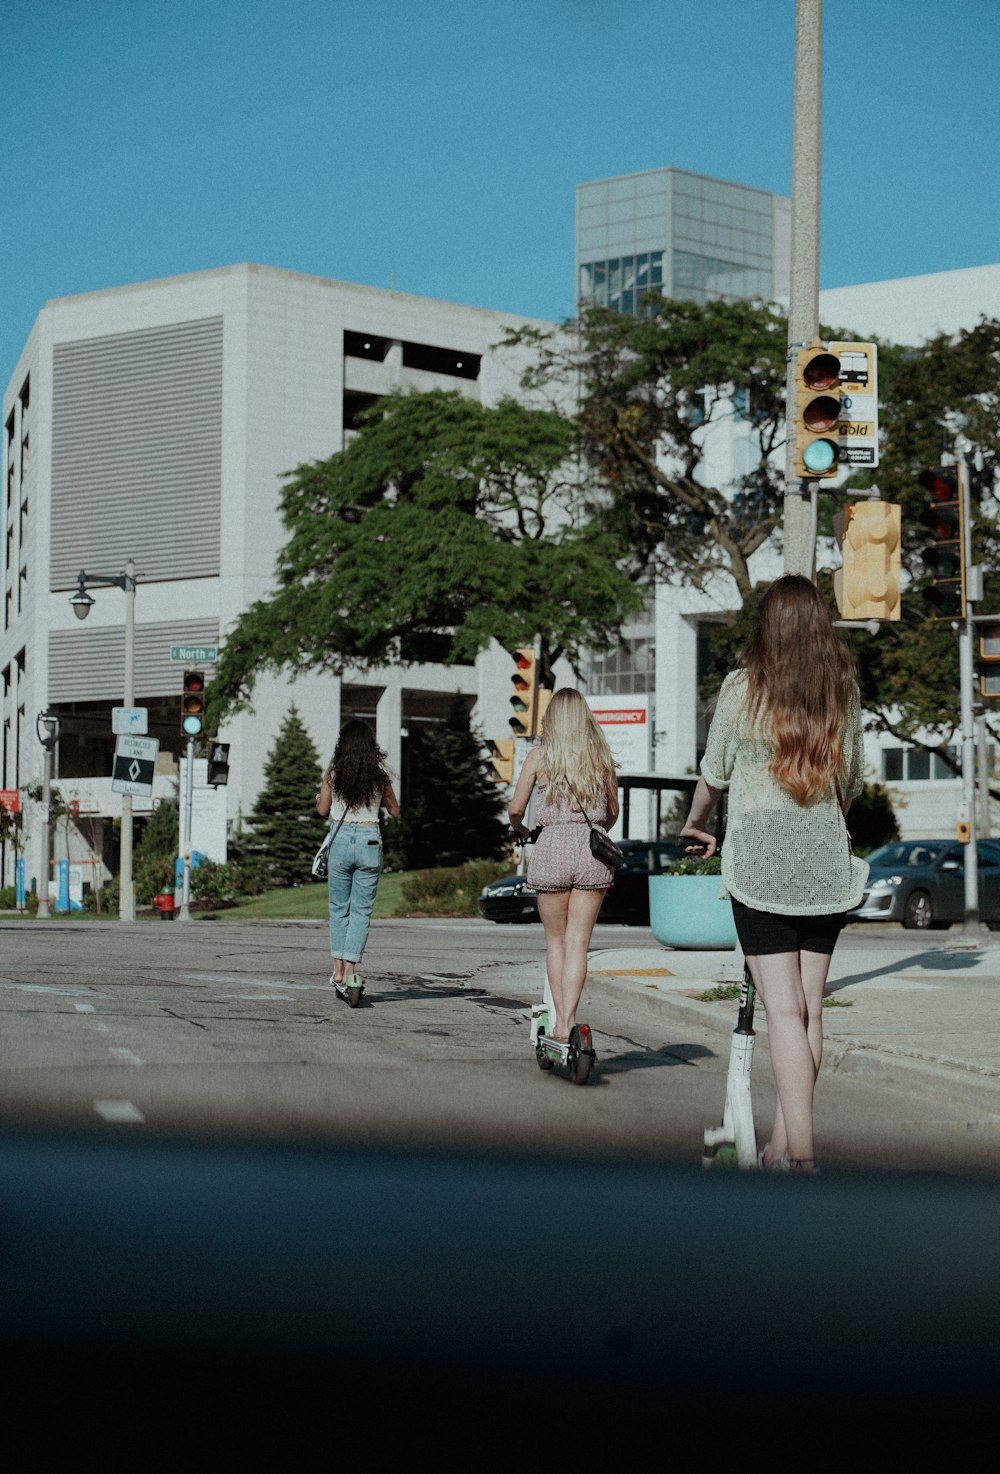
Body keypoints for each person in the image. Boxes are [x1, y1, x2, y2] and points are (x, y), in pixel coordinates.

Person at [680, 575, 868, 1175]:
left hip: (761, 866)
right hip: (822, 867)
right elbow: (852, 782)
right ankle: (786, 1147)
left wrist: (696, 820)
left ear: (766, 627)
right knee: (809, 1010)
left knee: (783, 1013)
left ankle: (803, 1160)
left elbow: (716, 770)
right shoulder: (841, 690)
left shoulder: (743, 687)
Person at [508, 688, 619, 1043]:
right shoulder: (600, 756)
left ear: (551, 720)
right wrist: (595, 830)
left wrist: (521, 830)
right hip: (592, 850)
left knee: (555, 941)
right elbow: (613, 811)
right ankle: (571, 1019)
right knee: (578, 943)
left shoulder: (539, 757)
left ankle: (558, 1026)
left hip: (552, 846)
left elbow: (515, 809)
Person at [316, 720, 400, 990]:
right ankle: (351, 968)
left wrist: (320, 795)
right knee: (361, 911)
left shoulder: (333, 774)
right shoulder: (379, 776)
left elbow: (322, 810)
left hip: (340, 842)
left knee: (338, 908)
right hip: (370, 840)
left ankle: (337, 970)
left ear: (344, 744)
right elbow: (395, 811)